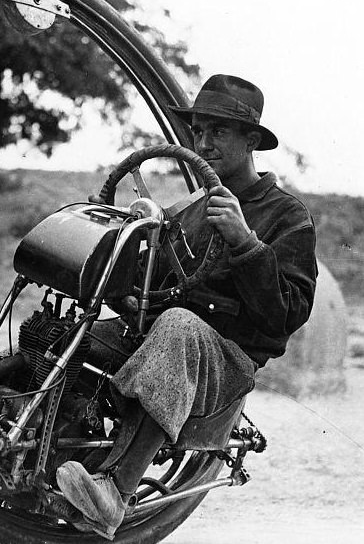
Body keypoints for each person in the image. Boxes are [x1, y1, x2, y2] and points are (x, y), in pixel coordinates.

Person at [55, 74, 318, 538]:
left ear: (251, 139)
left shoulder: (287, 215)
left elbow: (285, 317)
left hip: (227, 361)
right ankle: (12, 441)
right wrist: (129, 289)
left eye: (218, 131)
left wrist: (246, 243)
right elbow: (157, 284)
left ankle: (114, 490)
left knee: (179, 325)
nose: (203, 141)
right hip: (167, 338)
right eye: (198, 131)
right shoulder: (191, 208)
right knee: (63, 333)